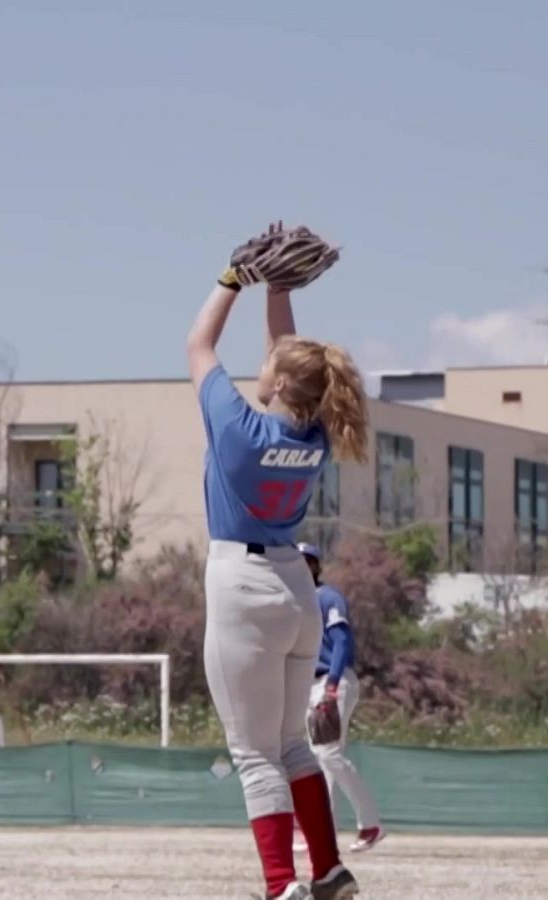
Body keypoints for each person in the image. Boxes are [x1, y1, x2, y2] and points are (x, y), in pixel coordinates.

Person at [186, 224, 368, 900]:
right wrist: (280, 287)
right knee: (292, 746)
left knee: (254, 755)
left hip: (243, 585)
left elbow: (198, 346)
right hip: (297, 588)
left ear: (280, 381)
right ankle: (327, 869)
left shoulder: (239, 427)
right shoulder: (316, 433)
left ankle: (280, 885)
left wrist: (234, 276)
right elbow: (284, 355)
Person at [298, 542, 385, 854]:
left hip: (331, 681)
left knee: (328, 754)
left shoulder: (327, 597)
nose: (302, 566)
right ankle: (323, 834)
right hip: (310, 685)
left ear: (316, 566)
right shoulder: (296, 601)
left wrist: (333, 684)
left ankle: (371, 823)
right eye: (297, 561)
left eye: (308, 561)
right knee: (321, 760)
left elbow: (342, 641)